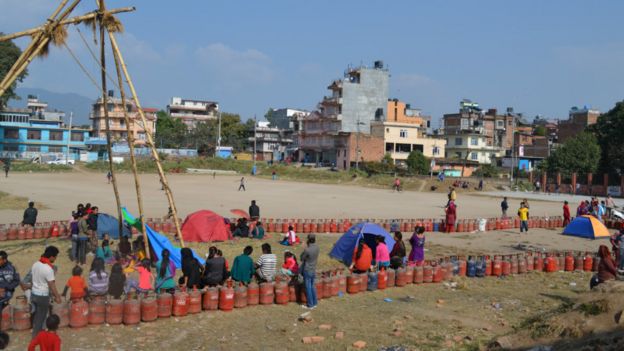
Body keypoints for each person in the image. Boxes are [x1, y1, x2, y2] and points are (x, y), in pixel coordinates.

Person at [30, 246, 62, 338]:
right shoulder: (48, 269)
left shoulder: (35, 264)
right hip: (42, 296)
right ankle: (36, 338)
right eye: (55, 257)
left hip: (34, 294)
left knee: (37, 316)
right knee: (41, 317)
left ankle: (38, 334)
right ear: (51, 256)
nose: (55, 259)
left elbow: (32, 280)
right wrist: (57, 297)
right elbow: (52, 285)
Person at [0, 250, 20, 326]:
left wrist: (5, 288)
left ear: (4, 260)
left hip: (8, 291)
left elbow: (16, 281)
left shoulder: (13, 266)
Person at [300, 234, 319, 309]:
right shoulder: (317, 248)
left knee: (308, 287)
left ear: (308, 240)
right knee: (312, 286)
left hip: (307, 269)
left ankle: (310, 304)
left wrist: (304, 248)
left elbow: (301, 258)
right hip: (313, 269)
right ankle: (315, 302)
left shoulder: (307, 250)